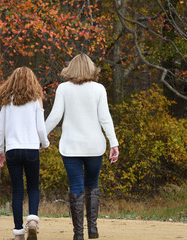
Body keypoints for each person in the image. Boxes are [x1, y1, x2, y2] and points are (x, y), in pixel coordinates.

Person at [45, 54, 119, 240]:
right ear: (91, 68)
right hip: (94, 146)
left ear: (71, 68)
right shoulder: (99, 89)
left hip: (71, 147)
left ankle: (78, 234)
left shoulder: (63, 89)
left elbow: (55, 116)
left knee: (76, 186)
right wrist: (113, 142)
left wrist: (40, 135)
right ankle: (92, 230)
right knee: (92, 185)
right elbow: (105, 118)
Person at [0, 67, 50, 240]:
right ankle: (32, 220)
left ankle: (18, 232)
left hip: (12, 150)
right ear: (32, 81)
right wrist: (44, 143)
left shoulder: (6, 102)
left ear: (12, 81)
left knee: (17, 191)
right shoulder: (36, 100)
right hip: (31, 149)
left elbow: (0, 129)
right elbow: (41, 126)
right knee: (33, 187)